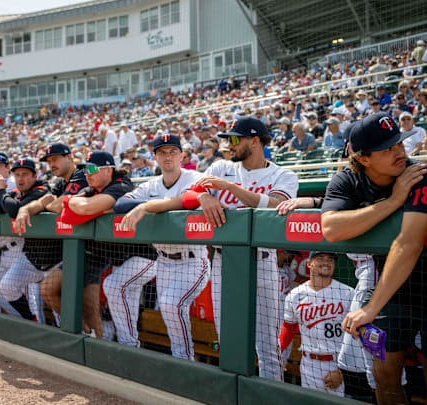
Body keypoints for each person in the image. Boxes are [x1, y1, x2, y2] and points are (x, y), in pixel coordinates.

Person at [325, 112, 427, 405]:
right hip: (394, 290)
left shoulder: (422, 174)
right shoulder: (348, 179)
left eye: (399, 143)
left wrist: (370, 309)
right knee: (384, 376)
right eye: (387, 149)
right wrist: (394, 201)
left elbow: (409, 244)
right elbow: (331, 229)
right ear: (363, 158)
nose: (400, 152)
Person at [180, 115, 298, 381]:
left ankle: (271, 397)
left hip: (263, 262)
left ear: (255, 141)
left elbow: (275, 204)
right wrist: (202, 196)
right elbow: (186, 196)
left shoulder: (282, 174)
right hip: (225, 260)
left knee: (269, 346)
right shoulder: (221, 167)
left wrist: (228, 188)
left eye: (235, 139)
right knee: (228, 338)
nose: (229, 145)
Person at [108, 134, 209, 360]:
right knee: (168, 310)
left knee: (170, 303)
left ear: (182, 155)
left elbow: (188, 200)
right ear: (155, 157)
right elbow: (121, 204)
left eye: (173, 151)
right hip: (163, 259)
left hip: (193, 258)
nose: (168, 156)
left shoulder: (196, 177)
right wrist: (146, 205)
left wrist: (146, 207)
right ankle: (180, 360)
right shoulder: (152, 184)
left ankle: (186, 363)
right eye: (162, 152)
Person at [60, 151, 156, 338]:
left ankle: (129, 345)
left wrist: (70, 201)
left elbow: (85, 208)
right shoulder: (93, 191)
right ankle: (127, 345)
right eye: (86, 169)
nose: (88, 173)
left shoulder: (121, 186)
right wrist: (80, 205)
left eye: (93, 168)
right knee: (123, 308)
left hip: (146, 258)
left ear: (109, 170)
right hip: (122, 261)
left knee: (114, 286)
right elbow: (65, 214)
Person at [12, 142, 89, 330]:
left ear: (69, 158)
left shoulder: (81, 175)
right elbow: (42, 203)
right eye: (48, 161)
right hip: (73, 249)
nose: (51, 164)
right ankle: (80, 332)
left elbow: (55, 206)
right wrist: (24, 210)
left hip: (92, 249)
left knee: (94, 301)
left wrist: (47, 204)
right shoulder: (61, 182)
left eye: (55, 159)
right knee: (49, 290)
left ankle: (87, 334)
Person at [0, 158, 49, 319]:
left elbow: (14, 211)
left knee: (34, 304)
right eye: (17, 174)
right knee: (6, 294)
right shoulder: (17, 194)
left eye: (25, 174)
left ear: (34, 176)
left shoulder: (41, 189)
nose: (20, 178)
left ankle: (37, 328)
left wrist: (0, 190)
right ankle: (27, 325)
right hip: (17, 253)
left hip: (38, 256)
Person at [279, 252, 353, 397]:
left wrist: (342, 371)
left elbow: (355, 336)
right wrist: (279, 351)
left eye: (330, 260)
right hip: (308, 364)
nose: (326, 262)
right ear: (309, 264)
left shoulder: (348, 293)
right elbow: (289, 327)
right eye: (320, 259)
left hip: (337, 362)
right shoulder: (295, 295)